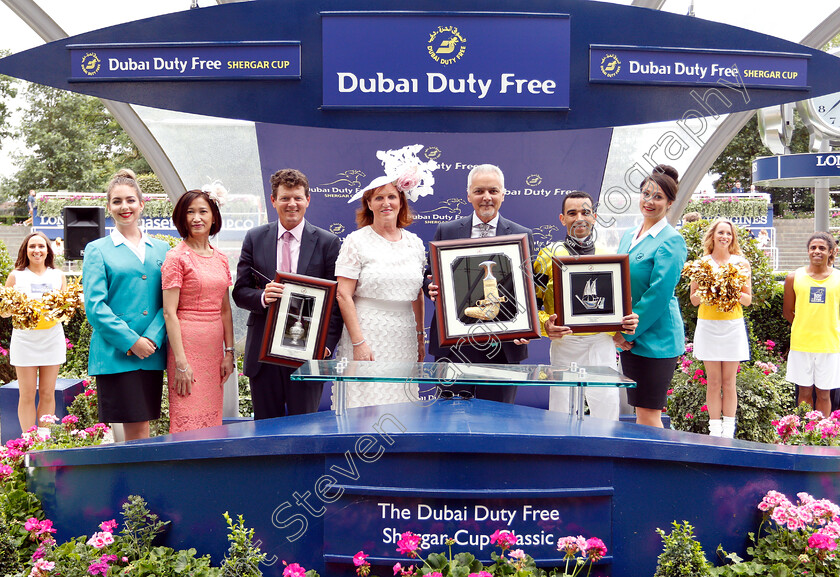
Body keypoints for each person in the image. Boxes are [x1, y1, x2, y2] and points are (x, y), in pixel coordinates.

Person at [233, 169, 342, 419]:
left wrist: (325, 344)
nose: (291, 204)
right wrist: (262, 296)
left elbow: (336, 301)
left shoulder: (328, 242)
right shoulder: (255, 237)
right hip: (263, 354)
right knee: (265, 430)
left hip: (307, 354)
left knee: (306, 428)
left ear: (308, 200)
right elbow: (240, 292)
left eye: (297, 198)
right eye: (284, 198)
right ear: (273, 201)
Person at [425, 164, 532, 404]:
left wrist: (526, 326)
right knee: (449, 420)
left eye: (493, 191)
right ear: (468, 195)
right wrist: (429, 288)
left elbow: (528, 289)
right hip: (453, 346)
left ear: (503, 194)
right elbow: (430, 275)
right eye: (479, 191)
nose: (486, 197)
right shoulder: (447, 230)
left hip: (503, 347)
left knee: (499, 420)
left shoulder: (521, 234)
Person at [533, 191, 638, 420]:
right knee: (561, 410)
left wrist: (623, 325)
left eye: (585, 212)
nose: (579, 217)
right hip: (565, 342)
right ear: (562, 219)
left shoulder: (609, 257)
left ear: (594, 217)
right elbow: (533, 303)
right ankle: (563, 454)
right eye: (572, 213)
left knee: (607, 408)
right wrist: (546, 326)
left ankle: (604, 453)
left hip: (601, 342)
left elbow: (618, 308)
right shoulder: (546, 256)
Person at [83, 169, 170, 441]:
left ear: (142, 204)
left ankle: (132, 481)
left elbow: (168, 302)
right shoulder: (98, 249)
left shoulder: (162, 249)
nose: (125, 207)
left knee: (141, 428)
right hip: (117, 354)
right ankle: (134, 483)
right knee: (136, 429)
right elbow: (95, 307)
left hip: (152, 352)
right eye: (117, 201)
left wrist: (153, 338)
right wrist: (132, 341)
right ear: (108, 207)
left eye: (131, 200)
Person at [333, 167, 426, 409]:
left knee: (401, 406)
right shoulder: (356, 241)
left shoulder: (415, 244)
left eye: (392, 196)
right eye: (379, 197)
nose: (386, 203)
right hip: (367, 335)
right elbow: (343, 294)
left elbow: (417, 295)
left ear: (401, 201)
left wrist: (419, 337)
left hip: (404, 337)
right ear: (369, 204)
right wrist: (358, 342)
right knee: (364, 406)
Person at [614, 165, 687, 428]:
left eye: (657, 197)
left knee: (648, 413)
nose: (649, 201)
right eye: (646, 194)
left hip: (657, 339)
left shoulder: (671, 240)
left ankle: (656, 465)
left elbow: (659, 293)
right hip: (631, 337)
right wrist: (618, 329)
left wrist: (626, 333)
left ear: (669, 202)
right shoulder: (628, 236)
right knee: (639, 412)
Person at [162, 185, 235, 433]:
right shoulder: (176, 257)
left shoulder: (221, 258)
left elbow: (225, 310)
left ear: (213, 216)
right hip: (187, 347)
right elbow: (169, 312)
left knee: (211, 421)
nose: (196, 218)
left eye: (203, 211)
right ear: (182, 218)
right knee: (187, 417)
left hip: (214, 349)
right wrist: (181, 362)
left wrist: (230, 351)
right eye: (190, 212)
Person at [690, 219, 752, 438]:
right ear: (713, 236)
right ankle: (714, 430)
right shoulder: (701, 263)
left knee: (729, 381)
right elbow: (694, 300)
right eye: (720, 232)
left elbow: (747, 300)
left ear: (732, 237)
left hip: (732, 326)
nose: (724, 236)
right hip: (708, 326)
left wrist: (729, 289)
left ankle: (729, 431)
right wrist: (710, 288)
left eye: (728, 233)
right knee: (713, 381)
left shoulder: (741, 263)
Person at [4, 232, 66, 432]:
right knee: (27, 394)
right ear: (25, 250)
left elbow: (65, 310)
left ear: (48, 250)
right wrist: (17, 308)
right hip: (25, 340)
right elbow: (4, 312)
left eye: (41, 246)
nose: (37, 250)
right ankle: (29, 443)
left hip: (52, 338)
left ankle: (44, 441)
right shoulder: (16, 276)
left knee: (48, 393)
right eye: (32, 246)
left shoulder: (58, 275)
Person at [783, 232, 840, 417]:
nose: (817, 251)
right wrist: (804, 325)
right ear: (808, 251)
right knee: (804, 393)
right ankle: (803, 433)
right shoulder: (794, 277)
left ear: (831, 251)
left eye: (822, 248)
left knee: (824, 394)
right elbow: (787, 311)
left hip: (829, 346)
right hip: (801, 345)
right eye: (813, 248)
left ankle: (821, 436)